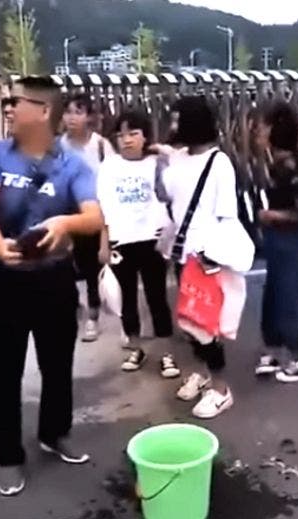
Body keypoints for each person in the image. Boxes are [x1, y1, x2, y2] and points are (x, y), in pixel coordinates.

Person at [0, 76, 103, 496]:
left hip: (54, 280)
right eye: (6, 102)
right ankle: (7, 456)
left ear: (44, 112)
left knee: (57, 365)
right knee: (4, 372)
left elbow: (93, 216)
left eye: (17, 102)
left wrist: (65, 222)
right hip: (0, 279)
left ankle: (54, 432)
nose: (8, 108)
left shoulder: (73, 165)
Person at [160, 96, 251, 419]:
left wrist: (211, 256)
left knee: (205, 327)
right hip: (180, 252)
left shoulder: (219, 163)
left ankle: (221, 390)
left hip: (204, 257)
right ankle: (201, 374)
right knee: (188, 321)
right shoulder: (178, 159)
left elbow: (226, 214)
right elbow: (168, 197)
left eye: (176, 119)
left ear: (192, 123)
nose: (171, 126)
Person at [97, 110, 174, 376]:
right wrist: (104, 244)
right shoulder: (109, 166)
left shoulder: (157, 163)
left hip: (151, 239)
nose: (127, 140)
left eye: (133, 133)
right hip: (121, 239)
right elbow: (103, 208)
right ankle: (136, 348)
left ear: (145, 136)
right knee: (126, 299)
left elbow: (171, 191)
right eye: (121, 134)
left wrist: (161, 154)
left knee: (157, 298)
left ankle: (167, 353)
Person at [252, 101, 298, 382]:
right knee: (272, 297)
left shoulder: (294, 164)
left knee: (287, 299)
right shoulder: (274, 163)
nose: (255, 131)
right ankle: (274, 350)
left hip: (295, 242)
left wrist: (272, 215)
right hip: (277, 241)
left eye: (261, 125)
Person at [60, 93, 113, 342]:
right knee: (68, 267)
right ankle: (77, 308)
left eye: (78, 112)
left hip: (96, 215)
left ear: (89, 116)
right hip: (68, 214)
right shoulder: (58, 147)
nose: (72, 117)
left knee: (94, 269)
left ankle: (94, 316)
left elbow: (114, 181)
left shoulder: (101, 146)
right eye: (68, 111)